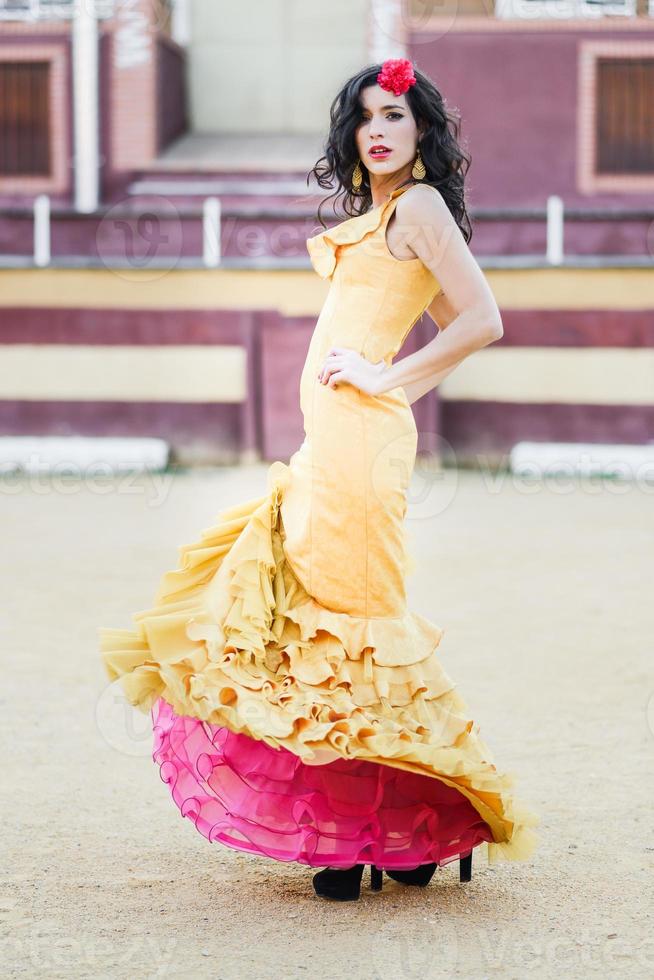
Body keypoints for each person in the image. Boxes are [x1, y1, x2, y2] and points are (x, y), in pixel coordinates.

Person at [99, 58, 538, 903]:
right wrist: (393, 381)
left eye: (397, 118)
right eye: (367, 118)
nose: (379, 131)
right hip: (328, 446)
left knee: (357, 629)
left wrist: (385, 381)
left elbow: (481, 320)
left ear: (423, 135)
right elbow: (444, 322)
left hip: (361, 450)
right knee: (320, 632)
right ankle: (368, 829)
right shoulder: (384, 212)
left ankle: (407, 828)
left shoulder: (420, 205)